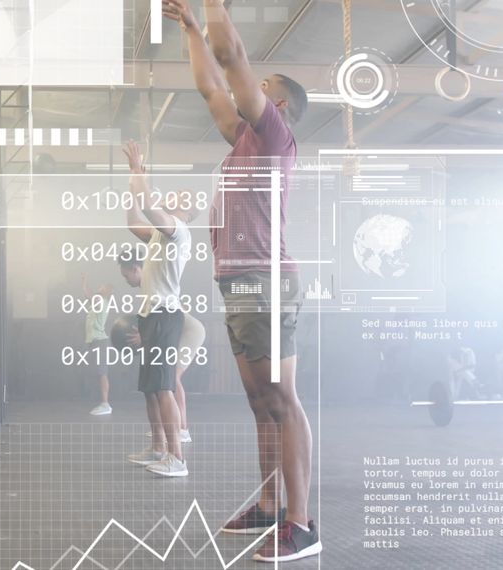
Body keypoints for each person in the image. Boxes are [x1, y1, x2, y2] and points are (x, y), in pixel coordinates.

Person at [164, 0, 321, 562]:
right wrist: (189, 29)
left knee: (282, 398)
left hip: (266, 280)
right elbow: (211, 86)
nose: (244, 88)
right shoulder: (242, 142)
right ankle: (268, 505)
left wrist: (212, 9)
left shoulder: (275, 136)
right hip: (237, 281)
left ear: (274, 103)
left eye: (261, 82)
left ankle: (301, 523)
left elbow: (230, 56)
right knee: (259, 402)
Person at [119, 140, 199, 478]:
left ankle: (177, 458)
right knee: (152, 387)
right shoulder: (158, 234)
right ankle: (157, 448)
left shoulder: (177, 231)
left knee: (164, 386)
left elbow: (151, 209)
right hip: (151, 316)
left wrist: (138, 173)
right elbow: (134, 219)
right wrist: (134, 185)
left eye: (178, 196)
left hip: (166, 316)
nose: (172, 195)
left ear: (186, 210)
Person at [118, 256, 204, 443]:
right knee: (166, 380)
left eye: (126, 276)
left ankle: (182, 429)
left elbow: (173, 313)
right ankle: (170, 428)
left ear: (136, 269)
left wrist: (146, 335)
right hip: (179, 330)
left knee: (172, 377)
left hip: (190, 331)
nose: (126, 281)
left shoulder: (153, 284)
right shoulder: (148, 287)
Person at [82, 274, 114, 415]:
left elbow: (89, 295)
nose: (99, 287)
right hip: (96, 341)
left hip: (100, 341)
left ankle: (105, 404)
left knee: (102, 372)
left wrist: (84, 282)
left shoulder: (100, 299)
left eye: (102, 286)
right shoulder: (100, 301)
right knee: (100, 372)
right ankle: (104, 403)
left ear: (106, 290)